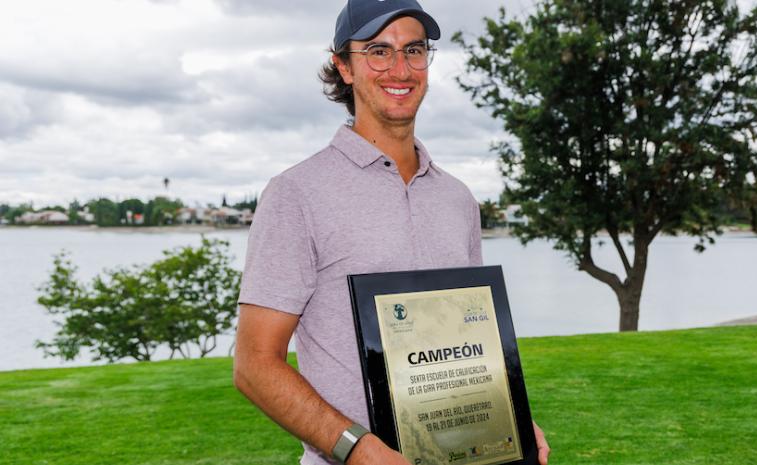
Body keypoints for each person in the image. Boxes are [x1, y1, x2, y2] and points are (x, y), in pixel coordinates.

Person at [232, 1, 551, 464]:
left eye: (414, 50)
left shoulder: (458, 200)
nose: (400, 69)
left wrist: (511, 420)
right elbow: (254, 364)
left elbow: (469, 346)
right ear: (343, 66)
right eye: (378, 51)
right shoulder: (295, 194)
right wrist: (356, 448)